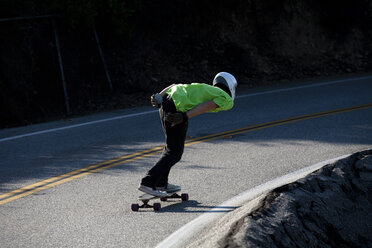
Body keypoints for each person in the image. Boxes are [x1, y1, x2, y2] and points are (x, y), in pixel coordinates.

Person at [138, 72, 238, 196]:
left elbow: (174, 86)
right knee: (175, 152)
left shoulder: (205, 89)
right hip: (177, 109)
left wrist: (159, 96)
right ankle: (148, 182)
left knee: (171, 147)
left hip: (166, 101)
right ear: (231, 86)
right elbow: (208, 105)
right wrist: (184, 116)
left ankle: (161, 183)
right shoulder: (227, 100)